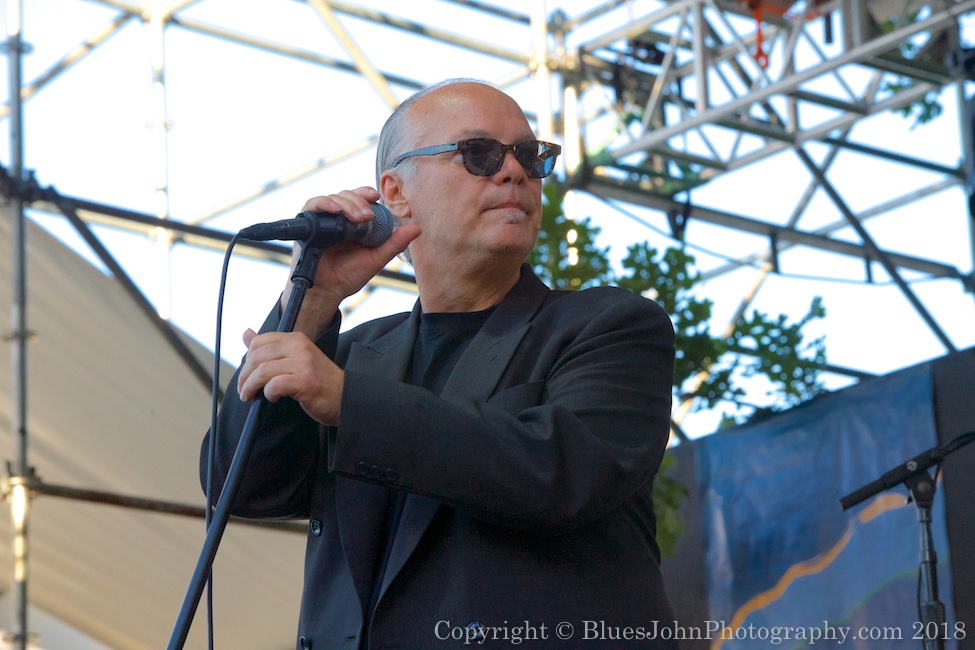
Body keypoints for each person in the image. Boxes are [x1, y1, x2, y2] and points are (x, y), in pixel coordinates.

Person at [202, 78, 677, 649]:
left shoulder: (610, 324)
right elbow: (244, 485)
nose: (513, 173)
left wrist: (347, 402)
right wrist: (313, 301)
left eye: (529, 156)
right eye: (479, 154)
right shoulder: (353, 353)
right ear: (395, 193)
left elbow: (562, 471)